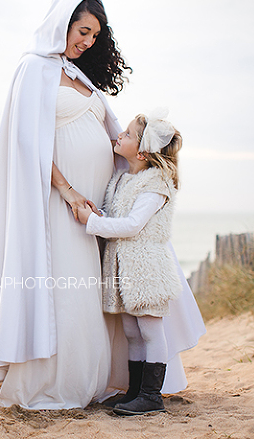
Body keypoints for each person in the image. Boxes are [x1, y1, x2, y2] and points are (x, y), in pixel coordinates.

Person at [0, 0, 204, 409]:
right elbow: (28, 141)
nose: (87, 41)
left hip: (100, 207)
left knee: (97, 292)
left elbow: (112, 133)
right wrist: (67, 190)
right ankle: (60, 380)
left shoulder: (78, 74)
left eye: (94, 35)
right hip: (59, 201)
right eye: (83, 31)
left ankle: (122, 383)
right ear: (62, 24)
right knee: (67, 284)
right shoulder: (33, 69)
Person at [77, 112, 185, 415]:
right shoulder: (124, 179)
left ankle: (152, 396)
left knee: (150, 332)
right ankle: (134, 392)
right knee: (132, 332)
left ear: (140, 151)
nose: (119, 136)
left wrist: (92, 223)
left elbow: (132, 225)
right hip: (124, 270)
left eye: (126, 134)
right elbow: (116, 214)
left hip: (146, 269)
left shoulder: (155, 185)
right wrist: (96, 212)